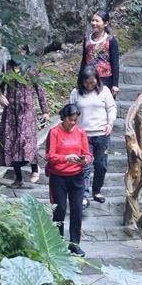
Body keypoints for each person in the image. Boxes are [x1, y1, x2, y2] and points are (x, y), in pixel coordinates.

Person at [0, 47, 50, 189]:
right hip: (10, 111)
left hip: (27, 110)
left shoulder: (30, 67)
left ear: (26, 52)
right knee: (12, 142)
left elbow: (39, 89)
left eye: (22, 50)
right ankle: (18, 178)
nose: (18, 53)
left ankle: (34, 167)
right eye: (16, 50)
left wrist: (45, 111)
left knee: (25, 141)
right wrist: (0, 96)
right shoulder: (7, 66)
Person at [45, 103, 91, 256]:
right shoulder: (54, 132)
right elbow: (49, 156)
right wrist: (66, 158)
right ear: (63, 118)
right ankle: (58, 243)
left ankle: (74, 244)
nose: (73, 123)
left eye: (75, 120)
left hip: (77, 176)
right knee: (60, 210)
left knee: (77, 210)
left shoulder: (81, 132)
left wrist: (85, 160)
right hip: (58, 177)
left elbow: (88, 154)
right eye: (70, 120)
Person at [69, 66, 116, 204]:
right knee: (84, 165)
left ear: (97, 79)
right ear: (81, 81)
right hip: (82, 135)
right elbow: (70, 111)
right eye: (86, 83)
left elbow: (111, 108)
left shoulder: (104, 91)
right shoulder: (76, 93)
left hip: (102, 133)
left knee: (101, 165)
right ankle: (84, 195)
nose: (89, 85)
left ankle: (97, 190)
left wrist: (110, 123)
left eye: (92, 82)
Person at [78, 11, 119, 97]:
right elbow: (84, 60)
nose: (93, 23)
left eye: (97, 21)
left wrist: (115, 84)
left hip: (105, 79)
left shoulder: (111, 40)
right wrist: (80, 80)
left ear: (105, 23)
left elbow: (115, 63)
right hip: (88, 79)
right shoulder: (87, 39)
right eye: (93, 20)